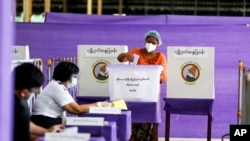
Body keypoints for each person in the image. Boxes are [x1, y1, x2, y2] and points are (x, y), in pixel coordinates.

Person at [117, 30, 167, 141]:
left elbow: (163, 77)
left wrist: (151, 77)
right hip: (135, 91)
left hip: (152, 94)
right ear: (145, 41)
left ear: (158, 44)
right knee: (133, 117)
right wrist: (125, 55)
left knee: (150, 119)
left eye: (154, 43)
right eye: (149, 41)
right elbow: (120, 59)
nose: (150, 44)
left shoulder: (161, 57)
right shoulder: (137, 52)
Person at [31, 61, 110, 128]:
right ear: (66, 75)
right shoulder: (57, 87)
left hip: (46, 119)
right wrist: (99, 104)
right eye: (74, 76)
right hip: (44, 120)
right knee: (86, 125)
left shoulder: (56, 85)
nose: (76, 79)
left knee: (86, 123)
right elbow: (76, 110)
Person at [13, 63, 63, 141]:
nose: (33, 94)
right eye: (34, 91)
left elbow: (26, 124)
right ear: (23, 92)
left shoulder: (13, 97)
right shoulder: (19, 111)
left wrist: (47, 131)